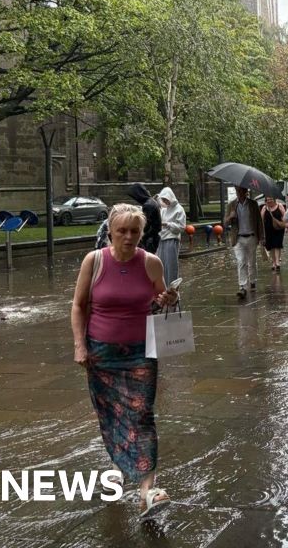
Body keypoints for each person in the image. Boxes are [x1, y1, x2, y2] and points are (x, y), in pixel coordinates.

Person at [71, 203, 178, 518]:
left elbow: (162, 300)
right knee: (112, 417)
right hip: (101, 354)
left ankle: (148, 490)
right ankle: (121, 463)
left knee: (142, 415)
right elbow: (78, 306)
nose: (129, 237)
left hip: (141, 352)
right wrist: (80, 346)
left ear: (142, 233)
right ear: (110, 231)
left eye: (135, 231)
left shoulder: (151, 263)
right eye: (122, 231)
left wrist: (169, 298)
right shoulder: (94, 261)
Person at [223, 187, 264, 298]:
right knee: (241, 261)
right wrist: (230, 217)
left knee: (251, 261)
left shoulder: (253, 204)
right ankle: (242, 287)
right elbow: (225, 223)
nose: (239, 194)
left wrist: (262, 237)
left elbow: (259, 221)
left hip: (252, 237)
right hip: (238, 238)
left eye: (241, 191)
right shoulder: (232, 205)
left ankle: (253, 280)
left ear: (246, 192)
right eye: (237, 192)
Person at [155, 187, 185, 285]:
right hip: (162, 239)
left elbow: (181, 227)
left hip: (172, 239)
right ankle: (162, 286)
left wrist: (167, 224)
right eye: (163, 200)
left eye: (166, 200)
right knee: (161, 264)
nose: (165, 202)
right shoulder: (164, 210)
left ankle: (172, 287)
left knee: (171, 265)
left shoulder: (179, 209)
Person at [127, 183, 161, 253]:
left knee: (146, 260)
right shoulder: (151, 202)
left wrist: (139, 236)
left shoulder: (148, 205)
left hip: (150, 239)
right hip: (152, 237)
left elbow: (145, 224)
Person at [260, 195, 287, 271]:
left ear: (274, 199)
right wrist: (261, 231)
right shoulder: (264, 208)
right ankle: (274, 262)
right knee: (271, 246)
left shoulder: (280, 205)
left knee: (277, 245)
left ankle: (277, 262)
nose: (269, 201)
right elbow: (261, 219)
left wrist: (286, 225)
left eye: (271, 199)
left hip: (279, 229)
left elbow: (285, 215)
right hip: (268, 230)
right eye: (267, 199)